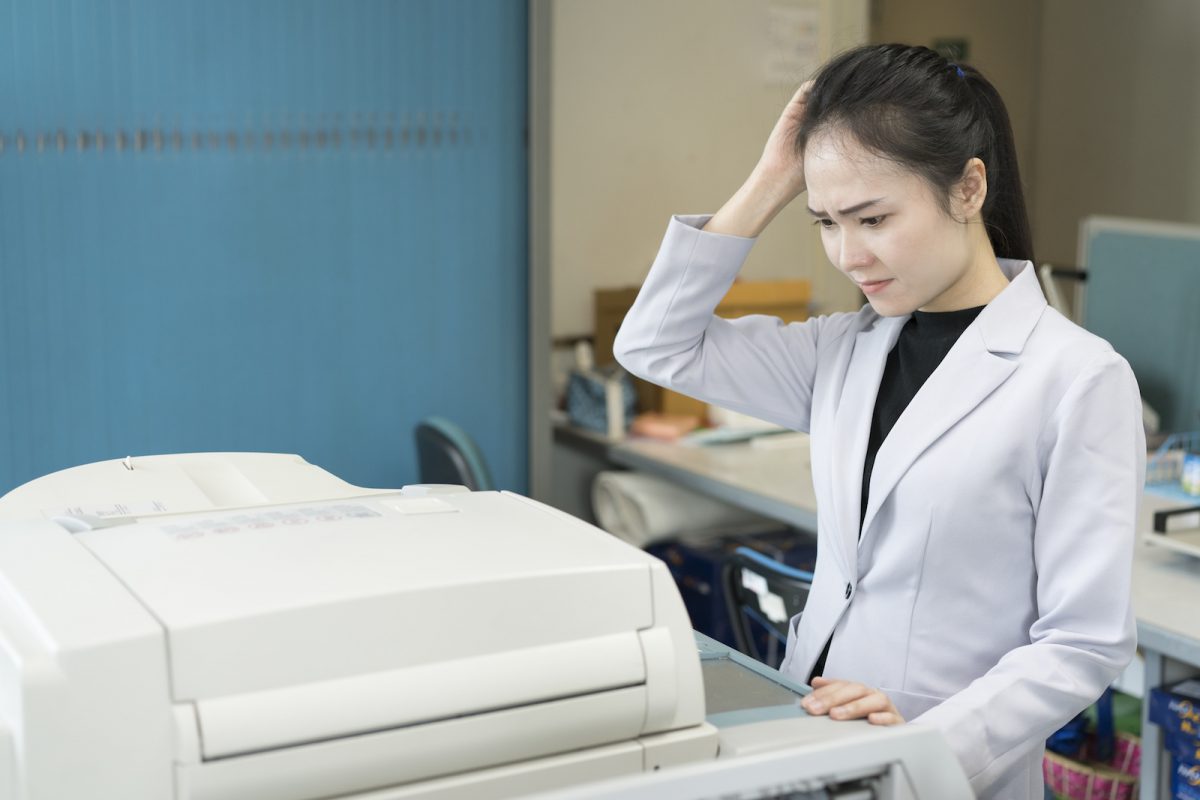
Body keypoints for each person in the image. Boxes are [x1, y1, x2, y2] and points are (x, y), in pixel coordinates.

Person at [613, 44, 1145, 799]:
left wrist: (929, 746)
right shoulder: (845, 348)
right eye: (826, 221)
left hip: (947, 769)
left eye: (874, 217)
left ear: (968, 188)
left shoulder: (1075, 378)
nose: (847, 254)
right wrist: (772, 178)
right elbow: (654, 343)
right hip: (807, 738)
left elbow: (1083, 642)